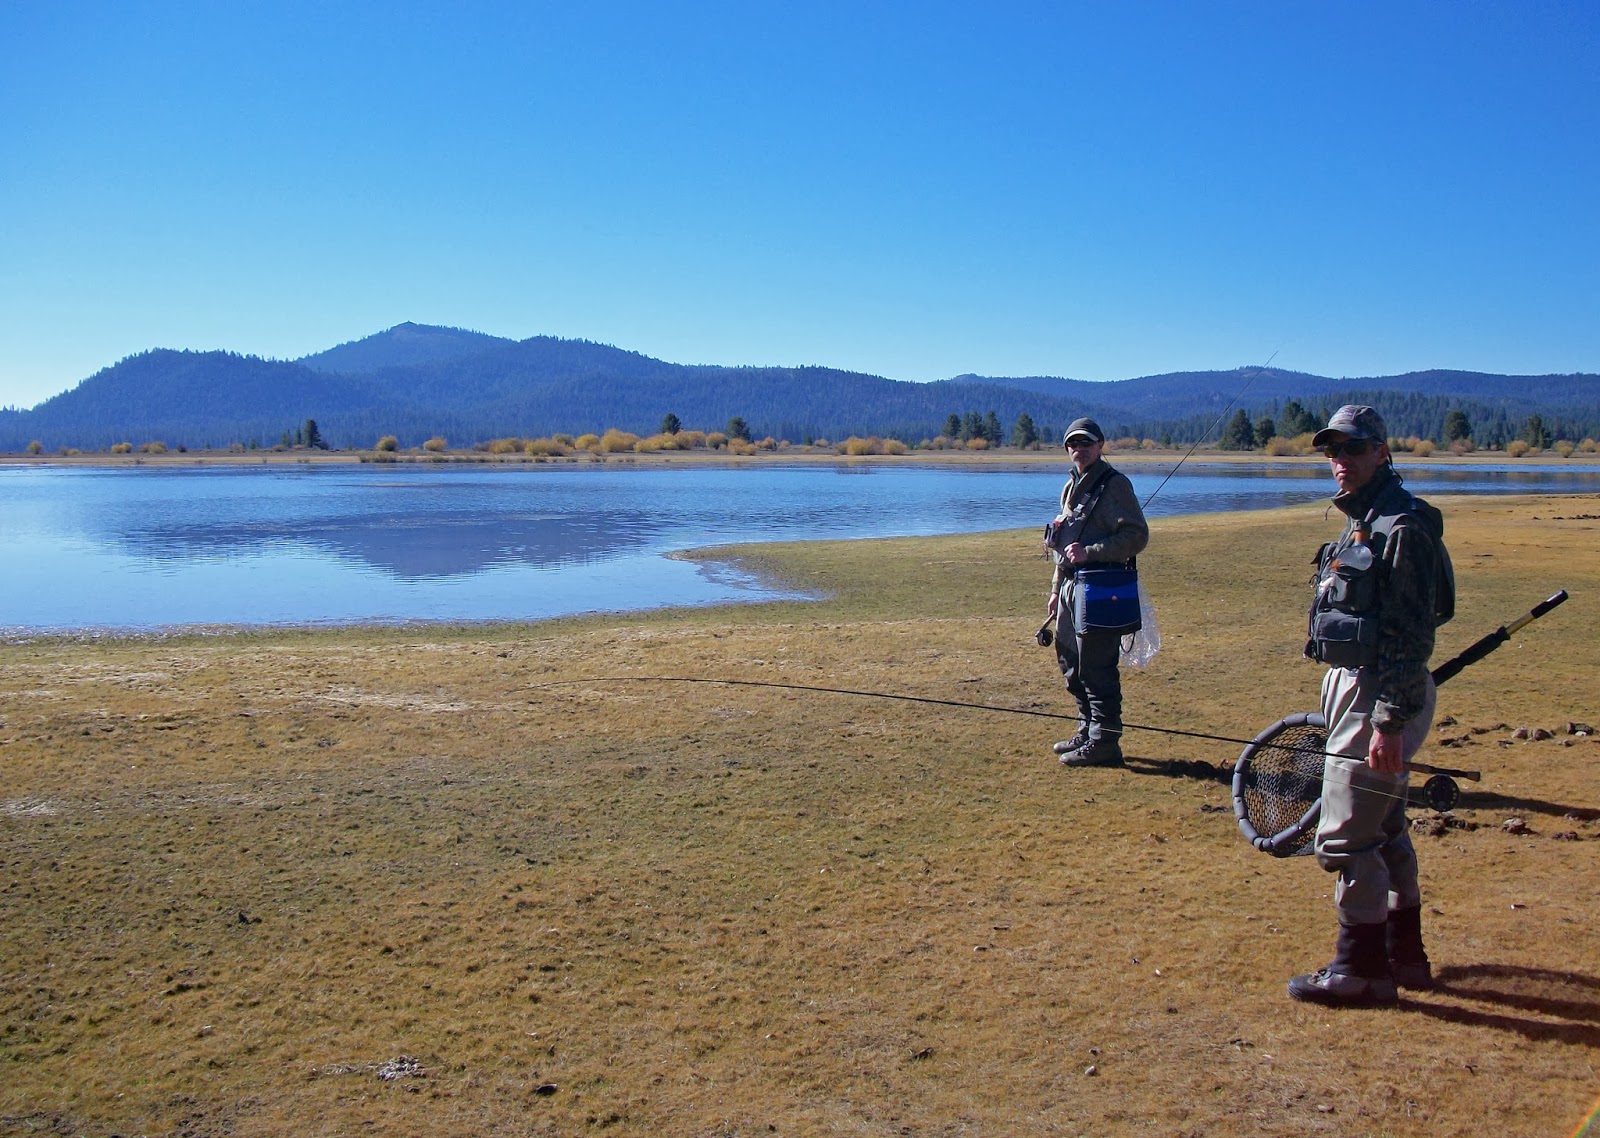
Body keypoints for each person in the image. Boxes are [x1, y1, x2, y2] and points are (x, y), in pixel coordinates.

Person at [1289, 404, 1452, 1007]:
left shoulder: (1402, 528)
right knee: (1384, 828)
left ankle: (1359, 970)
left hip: (1380, 692)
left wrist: (1388, 721)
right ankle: (1403, 956)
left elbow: (1411, 637)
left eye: (1353, 450)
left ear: (1382, 451)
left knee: (1347, 835)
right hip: (1355, 686)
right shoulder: (1364, 518)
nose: (1341, 461)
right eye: (1333, 450)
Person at [1045, 418, 1149, 767]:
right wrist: (1056, 589)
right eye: (1073, 444)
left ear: (1101, 445)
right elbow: (1064, 545)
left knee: (1097, 666)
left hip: (1103, 588)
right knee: (1070, 663)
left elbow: (1137, 536)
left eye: (1086, 443)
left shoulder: (1115, 485)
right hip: (1071, 587)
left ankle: (1105, 743)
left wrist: (1092, 551)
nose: (1080, 449)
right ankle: (1086, 729)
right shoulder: (1069, 487)